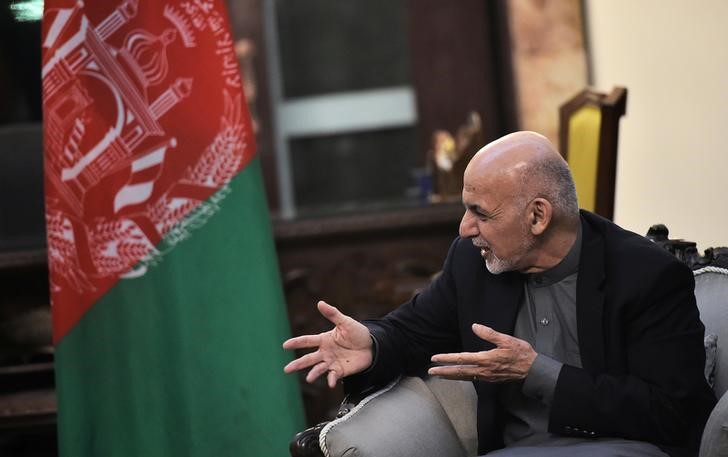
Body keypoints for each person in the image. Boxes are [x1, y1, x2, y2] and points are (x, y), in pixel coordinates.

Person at [283, 131, 715, 457]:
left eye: (480, 213)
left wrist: (536, 371)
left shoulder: (646, 275)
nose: (464, 228)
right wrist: (373, 344)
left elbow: (672, 414)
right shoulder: (474, 264)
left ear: (538, 217)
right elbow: (414, 333)